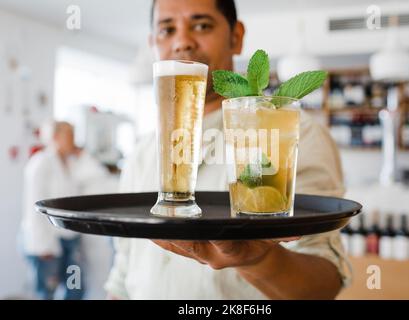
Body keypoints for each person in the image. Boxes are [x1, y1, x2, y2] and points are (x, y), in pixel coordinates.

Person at [105, 0, 351, 300]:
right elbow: (122, 276)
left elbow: (323, 285)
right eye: (167, 30)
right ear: (152, 43)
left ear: (236, 37)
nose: (182, 41)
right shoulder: (142, 153)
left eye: (201, 25)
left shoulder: (290, 131)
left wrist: (258, 259)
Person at [21, 121, 108, 299]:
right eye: (68, 136)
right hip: (46, 243)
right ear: (55, 138)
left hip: (69, 240)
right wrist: (43, 247)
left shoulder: (73, 163)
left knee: (75, 288)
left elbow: (99, 177)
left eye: (73, 135)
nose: (73, 141)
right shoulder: (41, 163)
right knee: (47, 292)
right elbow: (33, 207)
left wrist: (83, 155)